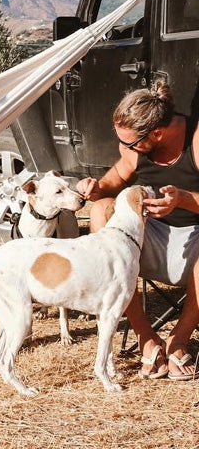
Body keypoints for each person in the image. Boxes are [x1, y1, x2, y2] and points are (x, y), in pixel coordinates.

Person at [76, 81, 199, 380]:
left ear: (156, 133)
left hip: (195, 242)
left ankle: (179, 339)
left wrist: (182, 199)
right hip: (150, 237)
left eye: (130, 143)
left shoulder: (196, 139)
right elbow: (118, 174)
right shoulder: (134, 146)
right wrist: (97, 187)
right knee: (101, 209)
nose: (124, 148)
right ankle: (146, 338)